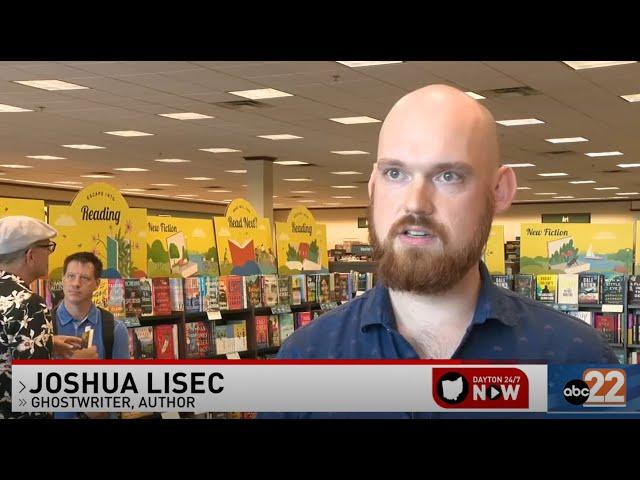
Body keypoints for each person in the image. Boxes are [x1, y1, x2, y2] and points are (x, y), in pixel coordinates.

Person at [258, 84, 618, 419]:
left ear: (500, 190)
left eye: (448, 176)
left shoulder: (575, 356)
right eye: (395, 173)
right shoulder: (306, 358)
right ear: (372, 185)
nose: (415, 204)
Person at [0, 216, 82, 419]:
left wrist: (47, 343)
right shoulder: (30, 304)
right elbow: (35, 393)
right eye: (47, 247)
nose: (49, 254)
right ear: (31, 255)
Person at [52, 251, 129, 419]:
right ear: (63, 280)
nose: (76, 283)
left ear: (97, 284)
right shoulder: (43, 328)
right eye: (70, 276)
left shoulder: (115, 329)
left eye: (84, 278)